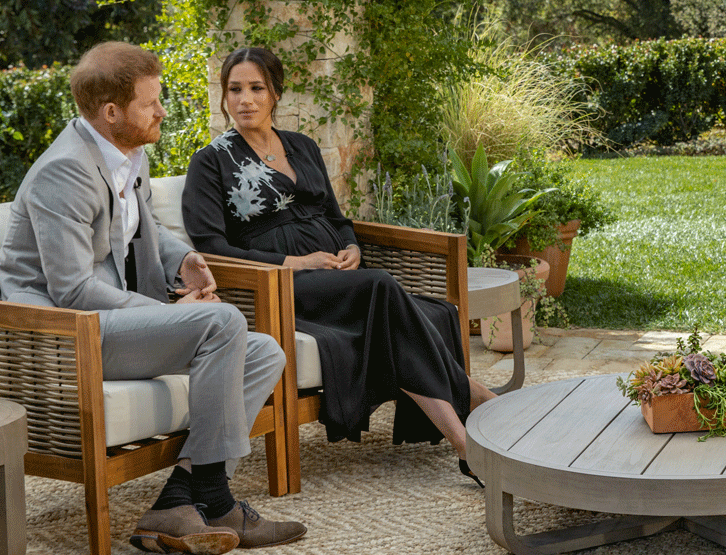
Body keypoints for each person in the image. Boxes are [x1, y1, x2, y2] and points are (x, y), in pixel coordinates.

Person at [0, 41, 306, 555]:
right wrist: (169, 312)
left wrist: (182, 260)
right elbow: (71, 289)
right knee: (222, 322)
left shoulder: (125, 153)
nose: (162, 112)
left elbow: (149, 228)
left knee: (265, 351)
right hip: (64, 335)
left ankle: (178, 498)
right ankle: (217, 500)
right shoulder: (64, 172)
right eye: (151, 104)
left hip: (104, 322)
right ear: (111, 112)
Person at [181, 46, 496, 484]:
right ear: (223, 95)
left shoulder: (302, 146)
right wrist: (292, 262)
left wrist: (352, 247)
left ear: (276, 93)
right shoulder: (211, 162)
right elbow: (211, 248)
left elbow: (335, 216)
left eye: (256, 88)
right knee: (382, 288)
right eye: (235, 89)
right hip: (279, 287)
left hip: (337, 276)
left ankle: (469, 441)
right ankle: (475, 410)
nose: (245, 100)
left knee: (412, 307)